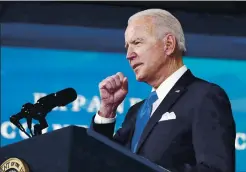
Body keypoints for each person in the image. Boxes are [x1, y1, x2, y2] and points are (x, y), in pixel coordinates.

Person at [90, 9, 236, 172]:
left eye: (137, 43)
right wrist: (107, 112)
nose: (129, 55)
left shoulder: (204, 96)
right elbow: (100, 161)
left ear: (168, 45)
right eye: (127, 46)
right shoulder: (136, 112)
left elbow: (216, 169)